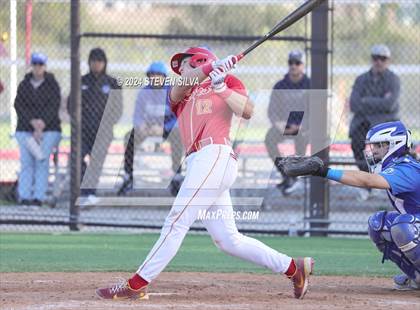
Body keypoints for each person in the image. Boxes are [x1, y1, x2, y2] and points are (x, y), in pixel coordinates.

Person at [96, 47, 314, 300]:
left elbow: (248, 110)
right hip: (200, 163)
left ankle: (136, 284)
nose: (181, 71)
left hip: (215, 155)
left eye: (186, 65)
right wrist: (211, 68)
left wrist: (221, 86)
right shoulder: (183, 93)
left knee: (176, 221)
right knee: (228, 240)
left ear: (199, 60)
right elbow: (180, 88)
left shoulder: (228, 81)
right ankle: (293, 268)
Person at [279, 121, 419, 290]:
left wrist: (322, 171)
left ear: (394, 145)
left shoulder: (405, 168)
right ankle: (416, 276)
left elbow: (367, 180)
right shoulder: (399, 166)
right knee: (378, 224)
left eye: (379, 145)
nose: (373, 150)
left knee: (403, 226)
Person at [119, 61, 183, 196]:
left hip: (166, 128)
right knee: (129, 137)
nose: (155, 78)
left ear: (165, 77)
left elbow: (179, 116)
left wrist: (164, 128)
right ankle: (128, 176)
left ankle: (176, 177)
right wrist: (140, 126)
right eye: (152, 75)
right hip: (147, 128)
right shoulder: (144, 92)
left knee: (178, 136)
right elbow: (137, 114)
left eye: (158, 75)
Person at [68, 48, 122, 204]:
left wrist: (106, 125)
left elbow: (117, 109)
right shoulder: (81, 81)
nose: (96, 64)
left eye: (99, 61)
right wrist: (78, 123)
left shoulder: (113, 83)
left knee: (96, 160)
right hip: (82, 131)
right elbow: (71, 104)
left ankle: (90, 193)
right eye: (93, 60)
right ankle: (82, 191)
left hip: (103, 131)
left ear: (104, 63)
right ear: (89, 62)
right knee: (77, 158)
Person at [14, 52, 62, 205]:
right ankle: (25, 196)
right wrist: (32, 123)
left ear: (45, 66)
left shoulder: (52, 84)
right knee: (27, 162)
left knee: (42, 160)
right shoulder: (24, 84)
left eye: (40, 64)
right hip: (26, 128)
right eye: (35, 64)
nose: (37, 67)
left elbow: (54, 106)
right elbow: (19, 106)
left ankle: (38, 197)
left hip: (49, 128)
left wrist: (42, 124)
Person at [265, 50, 310, 195]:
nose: (294, 66)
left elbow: (316, 110)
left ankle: (296, 176)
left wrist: (304, 125)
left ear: (303, 65)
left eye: (297, 63)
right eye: (291, 62)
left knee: (302, 137)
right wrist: (278, 124)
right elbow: (272, 110)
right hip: (284, 125)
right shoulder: (280, 85)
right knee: (269, 138)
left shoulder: (310, 84)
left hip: (304, 126)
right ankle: (286, 174)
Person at [349, 44, 400, 173]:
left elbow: (390, 105)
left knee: (383, 148)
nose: (379, 61)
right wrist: (379, 102)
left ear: (388, 61)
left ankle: (379, 179)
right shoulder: (361, 79)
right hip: (363, 123)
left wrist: (366, 100)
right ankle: (368, 178)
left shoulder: (393, 79)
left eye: (383, 58)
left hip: (385, 122)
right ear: (372, 59)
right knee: (356, 144)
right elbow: (354, 104)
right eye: (376, 58)